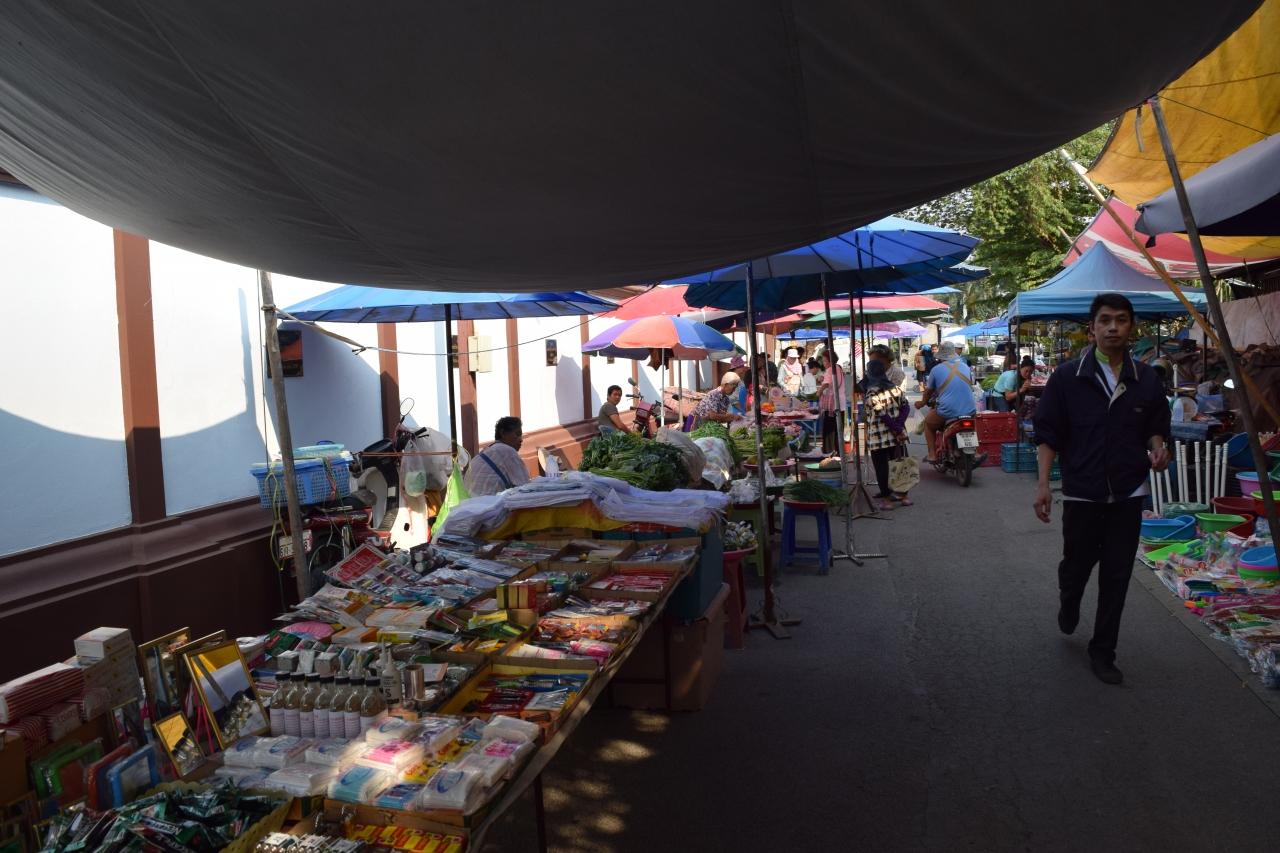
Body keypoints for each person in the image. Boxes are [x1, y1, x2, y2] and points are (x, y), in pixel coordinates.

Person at [1032, 293, 1171, 685]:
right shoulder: (1067, 377)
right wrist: (1043, 485)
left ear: (1131, 327)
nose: (1113, 327)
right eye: (1105, 320)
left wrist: (1158, 449)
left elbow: (1155, 427)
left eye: (1121, 320)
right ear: (1092, 328)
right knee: (1076, 566)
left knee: (1117, 574)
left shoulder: (1146, 378)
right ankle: (1069, 600)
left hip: (1128, 492)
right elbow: (1048, 434)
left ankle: (1103, 651)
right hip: (1082, 491)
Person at [861, 359, 913, 509]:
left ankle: (887, 500)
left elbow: (881, 414)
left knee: (882, 469)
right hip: (897, 437)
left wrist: (895, 427)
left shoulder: (872, 392)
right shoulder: (895, 389)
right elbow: (906, 407)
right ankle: (904, 497)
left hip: (879, 439)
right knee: (900, 465)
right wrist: (899, 427)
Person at [916, 341, 976, 463]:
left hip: (948, 410)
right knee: (973, 425)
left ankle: (932, 455)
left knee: (928, 424)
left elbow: (928, 391)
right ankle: (976, 452)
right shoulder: (965, 367)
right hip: (970, 409)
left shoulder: (936, 370)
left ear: (941, 356)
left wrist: (922, 403)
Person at [463, 417, 531, 497]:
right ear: (503, 433)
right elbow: (525, 486)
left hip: (469, 501)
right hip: (488, 502)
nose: (521, 439)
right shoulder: (507, 451)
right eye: (517, 434)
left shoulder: (487, 451)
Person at [818, 351, 846, 454]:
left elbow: (826, 384)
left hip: (832, 405)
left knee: (830, 429)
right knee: (838, 429)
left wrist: (819, 392)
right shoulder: (838, 368)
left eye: (825, 361)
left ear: (830, 361)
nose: (824, 363)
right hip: (840, 403)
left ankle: (829, 451)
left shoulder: (831, 369)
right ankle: (838, 451)